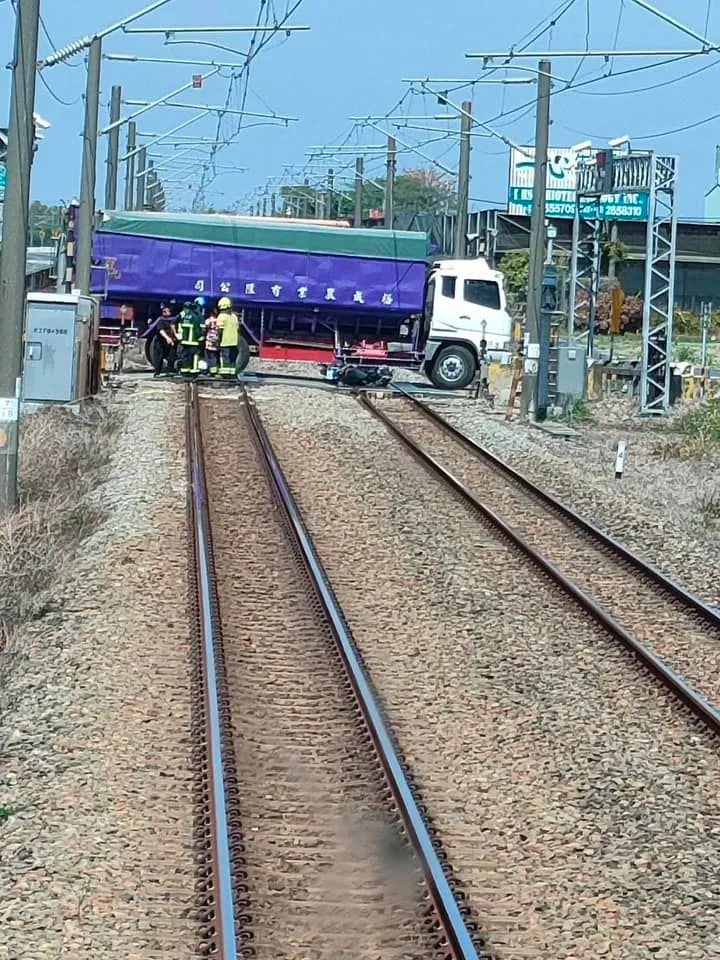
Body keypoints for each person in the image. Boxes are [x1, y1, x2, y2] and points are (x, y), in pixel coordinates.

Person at [177, 301, 205, 376]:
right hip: (194, 341)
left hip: (184, 341)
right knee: (195, 355)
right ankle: (194, 370)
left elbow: (180, 326)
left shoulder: (185, 316)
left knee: (185, 356)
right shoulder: (197, 316)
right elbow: (197, 330)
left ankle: (185, 370)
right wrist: (200, 337)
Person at [153, 302, 179, 377]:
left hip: (172, 341)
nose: (164, 312)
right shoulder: (161, 319)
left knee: (172, 355)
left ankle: (170, 370)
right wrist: (167, 338)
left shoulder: (174, 320)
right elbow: (161, 330)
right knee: (159, 356)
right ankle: (157, 371)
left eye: (166, 310)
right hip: (161, 341)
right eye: (163, 311)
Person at [217, 296, 240, 377]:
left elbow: (220, 330)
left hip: (225, 342)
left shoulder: (221, 316)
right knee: (232, 359)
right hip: (234, 342)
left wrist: (218, 340)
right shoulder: (234, 317)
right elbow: (237, 328)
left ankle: (225, 374)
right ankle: (232, 373)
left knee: (225, 358)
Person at [204, 306, 220, 375]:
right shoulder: (219, 321)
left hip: (209, 341)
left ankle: (212, 371)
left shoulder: (208, 321)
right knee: (216, 356)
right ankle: (217, 369)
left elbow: (204, 328)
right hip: (217, 340)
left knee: (210, 356)